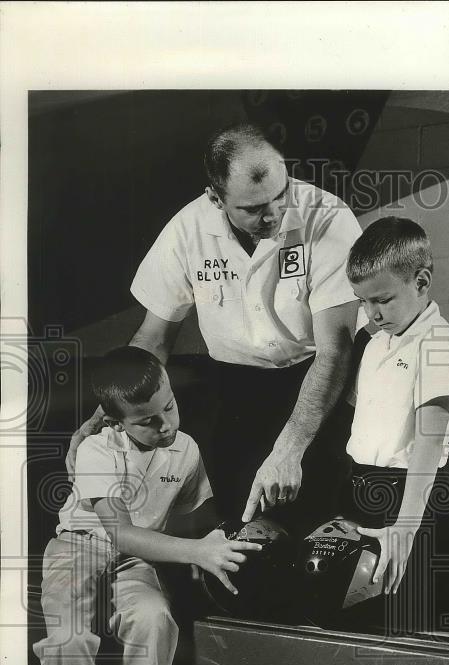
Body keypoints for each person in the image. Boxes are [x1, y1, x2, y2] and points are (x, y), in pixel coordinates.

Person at [67, 123, 363, 529]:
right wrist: (107, 412)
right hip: (237, 386)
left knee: (318, 517)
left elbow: (336, 351)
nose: (274, 214)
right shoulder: (187, 229)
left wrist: (290, 449)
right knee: (239, 518)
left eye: (281, 195)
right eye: (253, 208)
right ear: (215, 197)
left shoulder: (329, 218)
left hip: (317, 376)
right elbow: (153, 340)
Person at [33, 346, 259, 665]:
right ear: (116, 421)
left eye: (168, 407)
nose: (165, 425)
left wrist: (219, 544)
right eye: (147, 421)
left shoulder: (186, 450)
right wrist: (197, 552)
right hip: (77, 548)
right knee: (67, 639)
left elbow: (197, 518)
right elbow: (120, 532)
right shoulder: (96, 450)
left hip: (136, 560)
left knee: (155, 621)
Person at [342, 217, 449, 634]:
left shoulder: (438, 344)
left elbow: (428, 442)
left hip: (410, 498)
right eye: (363, 301)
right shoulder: (377, 340)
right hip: (362, 488)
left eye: (382, 299)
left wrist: (406, 527)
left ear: (421, 282)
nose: (372, 313)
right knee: (361, 619)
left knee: (408, 618)